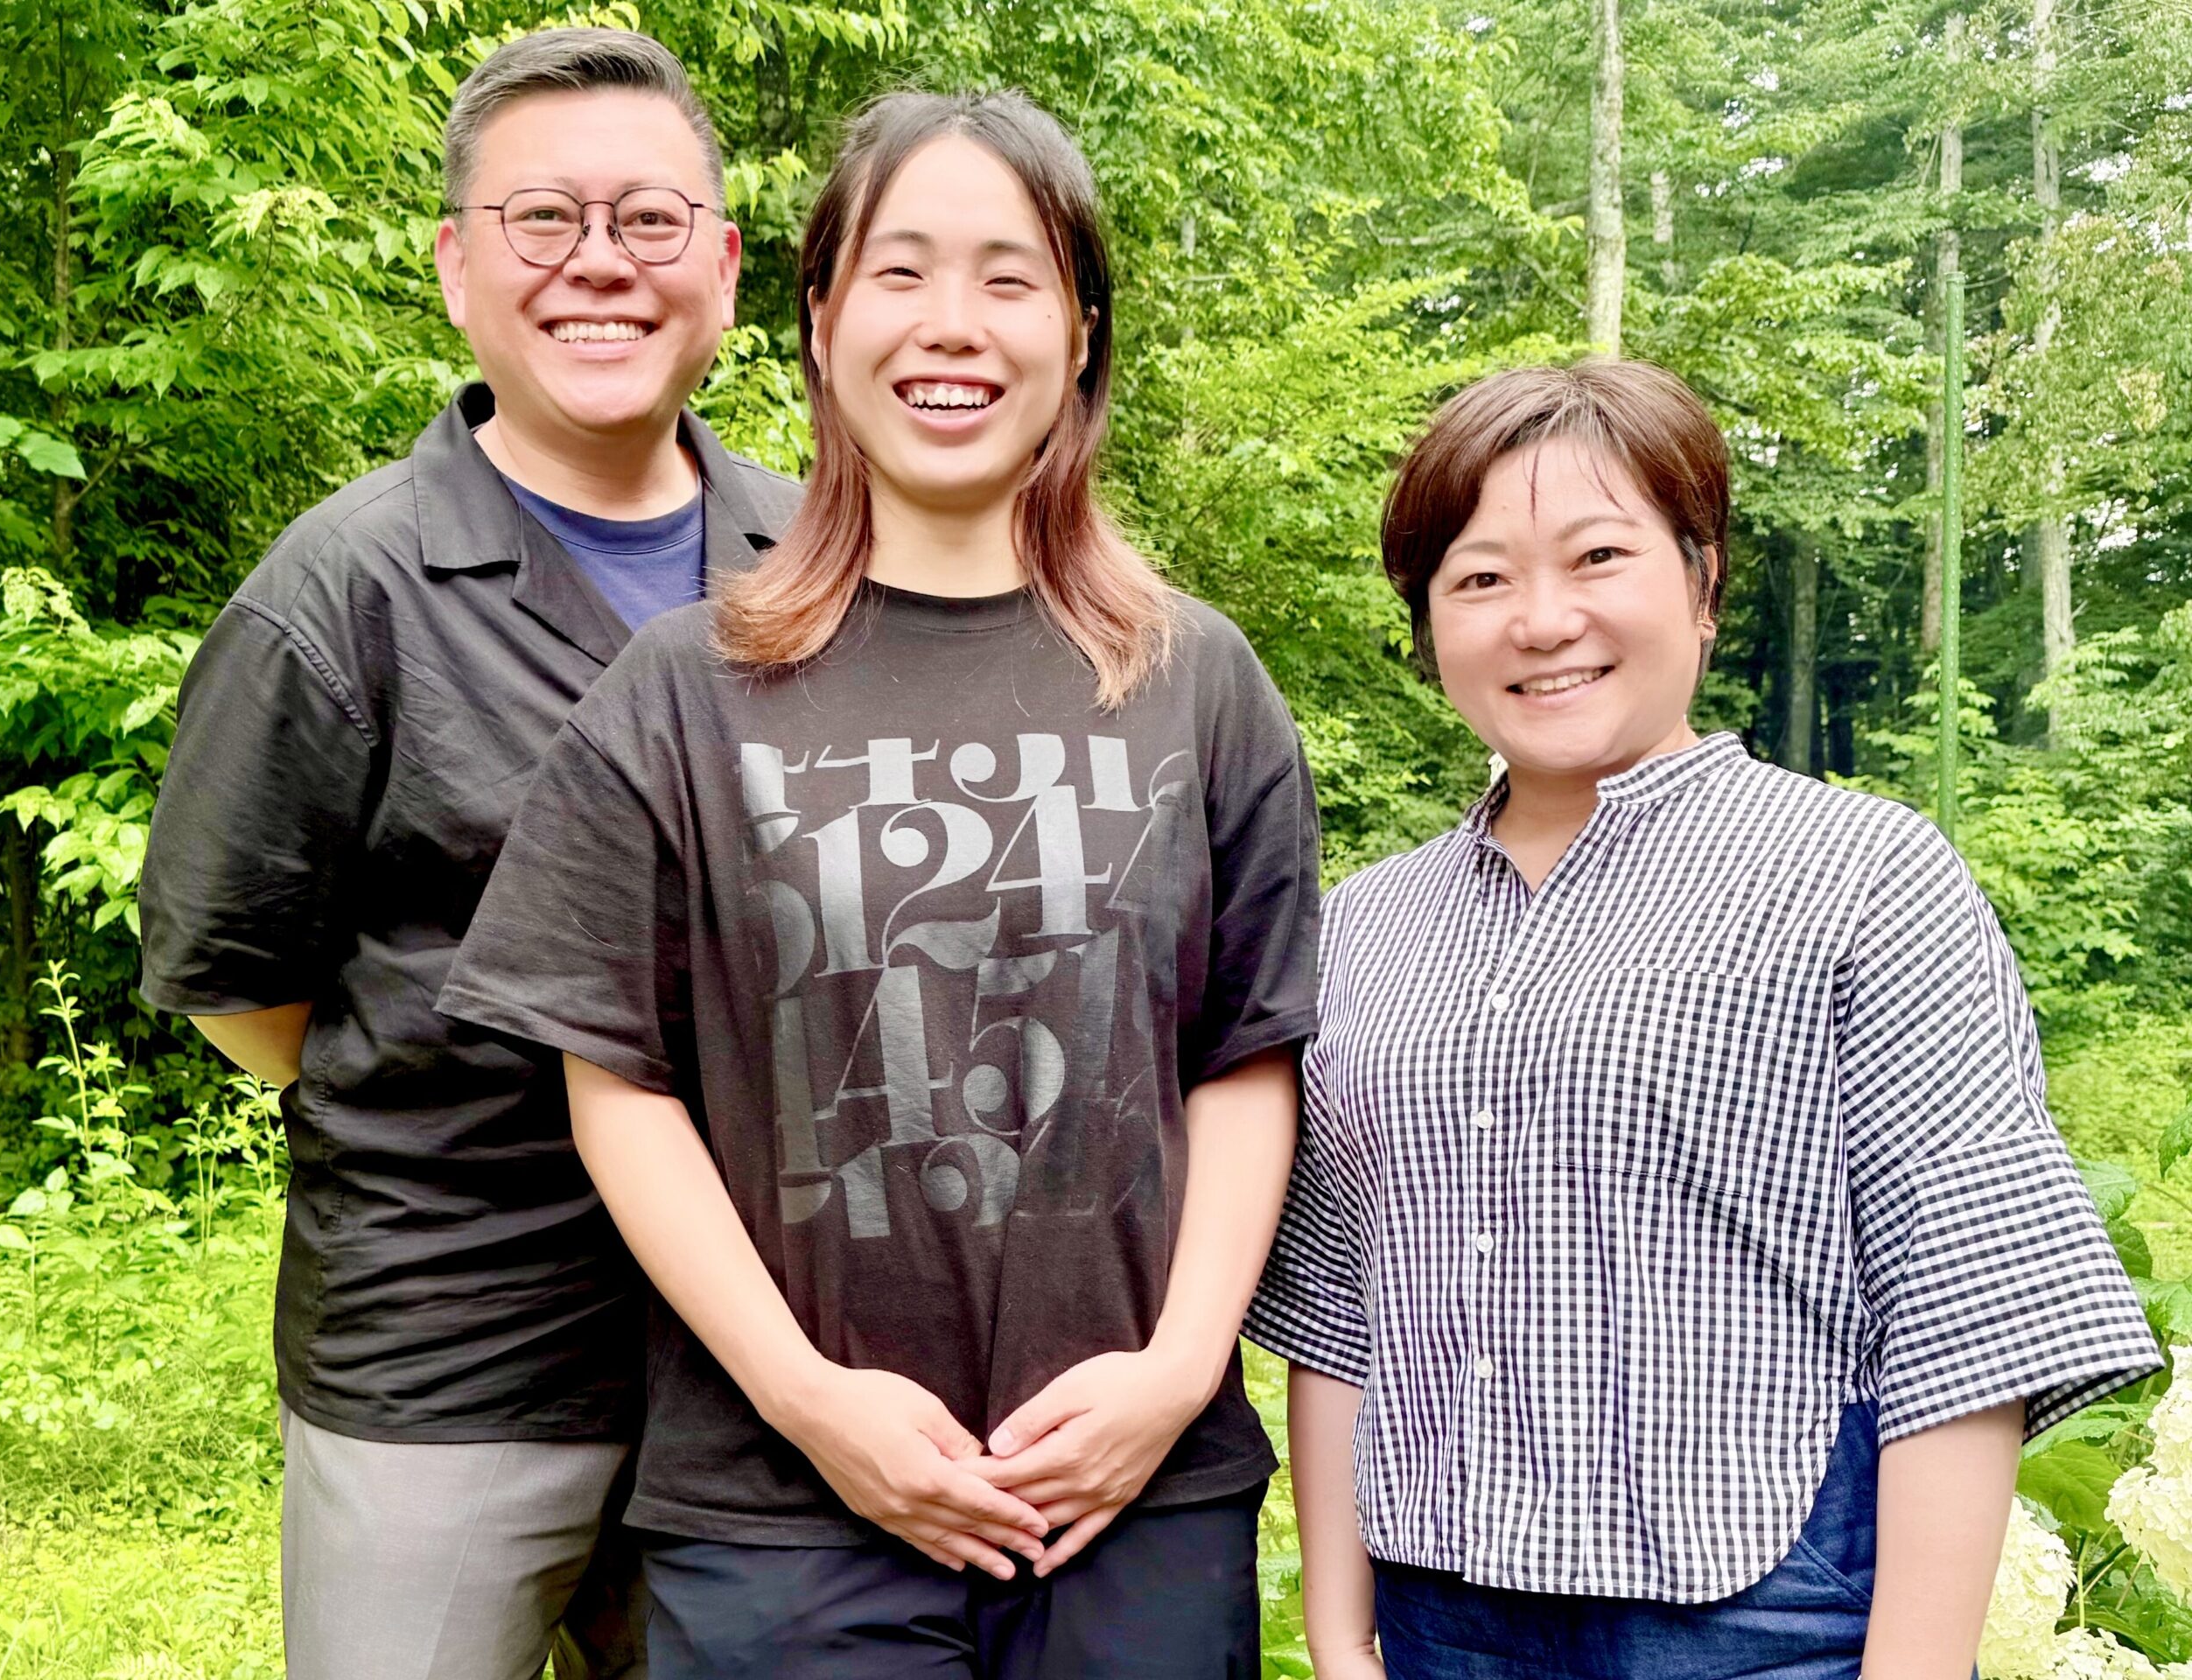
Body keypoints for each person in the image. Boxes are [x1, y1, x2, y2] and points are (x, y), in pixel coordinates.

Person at [436, 88, 1320, 1680]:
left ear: (1080, 331)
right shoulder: (681, 689)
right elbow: (615, 1081)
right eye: (901, 272)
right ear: (822, 320)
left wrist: (1182, 1371)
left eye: (1009, 277)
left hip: (1131, 1498)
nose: (952, 324)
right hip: (782, 1513)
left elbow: (1245, 1055)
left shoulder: (1197, 680)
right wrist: (804, 1400)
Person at [1243, 358, 2161, 1680]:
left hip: (1769, 1612)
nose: (1542, 620)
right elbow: (1342, 1308)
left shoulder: (1862, 875)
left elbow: (1965, 1307)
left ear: (1702, 580)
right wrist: (1341, 1637)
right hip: (1441, 1618)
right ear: (1431, 621)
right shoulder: (1370, 924)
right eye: (1481, 577)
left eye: (1598, 557)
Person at [137, 28, 798, 1680]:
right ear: (454, 264)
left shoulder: (821, 559)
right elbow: (239, 983)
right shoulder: (340, 591)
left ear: (724, 266)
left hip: (768, 1365)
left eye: (649, 220)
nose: (601, 264)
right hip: (453, 1358)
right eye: (543, 218)